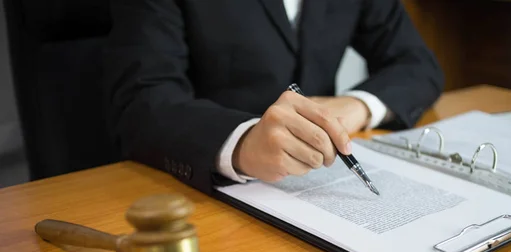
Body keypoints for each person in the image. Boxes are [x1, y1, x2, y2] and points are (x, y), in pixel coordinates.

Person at [104, 0, 444, 195]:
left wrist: (358, 106)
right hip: (204, 197)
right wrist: (241, 141)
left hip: (313, 180)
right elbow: (141, 101)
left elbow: (417, 62)